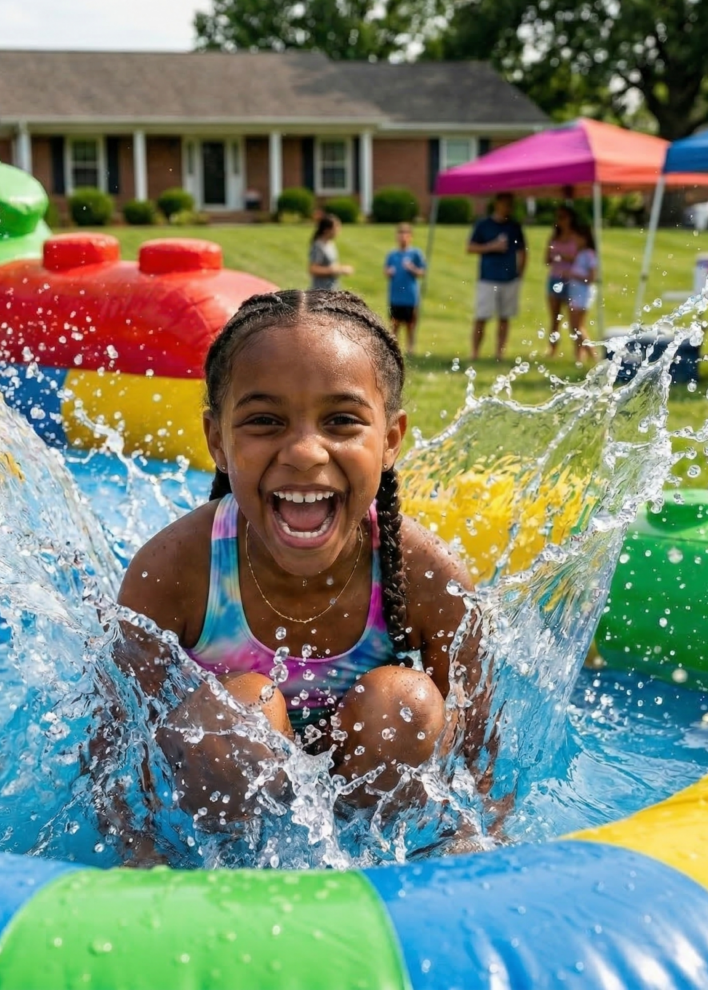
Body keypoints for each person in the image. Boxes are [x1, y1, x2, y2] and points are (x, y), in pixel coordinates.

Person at [112, 288, 488, 822]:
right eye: (265, 421)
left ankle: (381, 868)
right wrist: (137, 851)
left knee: (405, 704)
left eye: (342, 421)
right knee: (238, 712)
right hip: (225, 808)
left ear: (391, 440)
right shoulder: (178, 570)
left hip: (374, 806)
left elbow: (482, 760)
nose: (305, 452)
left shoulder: (428, 575)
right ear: (216, 439)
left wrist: (474, 845)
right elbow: (117, 747)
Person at [466, 193, 527, 362]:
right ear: (497, 204)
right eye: (506, 204)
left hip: (508, 279)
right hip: (488, 278)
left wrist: (520, 273)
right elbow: (470, 247)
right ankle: (475, 352)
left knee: (505, 317)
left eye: (511, 205)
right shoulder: (484, 225)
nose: (509, 208)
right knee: (482, 316)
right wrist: (491, 246)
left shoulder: (514, 227)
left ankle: (500, 353)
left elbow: (522, 250)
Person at [384, 223, 426, 354]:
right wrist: (388, 272)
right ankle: (394, 349)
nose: (402, 238)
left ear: (410, 237)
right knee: (394, 324)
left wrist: (412, 268)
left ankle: (410, 348)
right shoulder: (392, 255)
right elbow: (386, 270)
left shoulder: (415, 254)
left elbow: (422, 272)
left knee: (410, 324)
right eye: (400, 234)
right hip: (395, 296)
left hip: (410, 296)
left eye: (405, 235)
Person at [545, 206, 579, 357]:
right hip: (555, 278)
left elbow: (581, 258)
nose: (560, 221)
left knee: (575, 320)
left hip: (572, 280)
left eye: (563, 217)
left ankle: (579, 351)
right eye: (558, 218)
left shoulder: (576, 238)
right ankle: (552, 348)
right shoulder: (554, 238)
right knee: (554, 318)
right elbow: (546, 259)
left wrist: (564, 257)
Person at [566, 225, 598, 365]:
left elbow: (591, 278)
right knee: (575, 327)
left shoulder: (589, 254)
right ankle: (579, 356)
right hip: (575, 293)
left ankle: (593, 355)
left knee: (577, 327)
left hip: (583, 294)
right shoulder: (580, 254)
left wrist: (574, 275)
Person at [308, 215, 353, 290]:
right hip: (321, 291)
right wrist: (338, 270)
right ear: (326, 230)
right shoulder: (318, 246)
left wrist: (341, 268)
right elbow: (313, 269)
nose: (339, 230)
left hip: (331, 288)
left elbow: (332, 264)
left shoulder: (330, 243)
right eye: (336, 228)